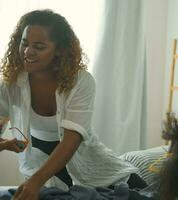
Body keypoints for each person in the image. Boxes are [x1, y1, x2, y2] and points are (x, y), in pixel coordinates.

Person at [0, 9, 145, 200]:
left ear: (59, 49)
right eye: (24, 43)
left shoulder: (81, 82)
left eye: (39, 47)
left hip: (94, 171)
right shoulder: (10, 85)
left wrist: (34, 183)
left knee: (147, 195)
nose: (27, 52)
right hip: (46, 176)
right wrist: (4, 144)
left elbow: (71, 140)